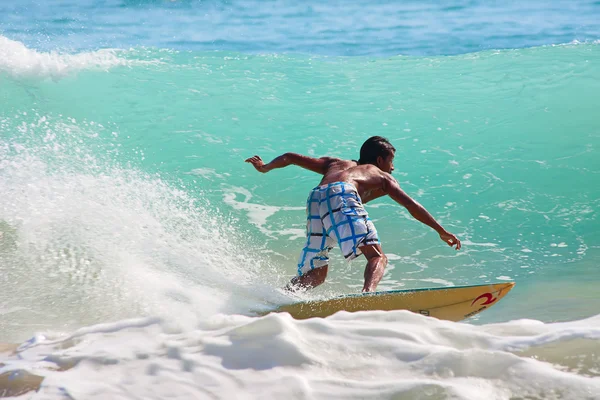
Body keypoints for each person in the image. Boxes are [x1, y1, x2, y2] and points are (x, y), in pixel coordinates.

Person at [245, 136, 461, 293]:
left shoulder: (336, 164)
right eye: (391, 161)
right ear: (379, 160)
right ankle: (368, 295)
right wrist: (440, 231)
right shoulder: (379, 175)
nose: (393, 167)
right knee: (377, 256)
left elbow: (290, 157)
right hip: (342, 195)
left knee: (317, 273)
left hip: (316, 199)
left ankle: (282, 297)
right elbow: (411, 205)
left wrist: (265, 168)